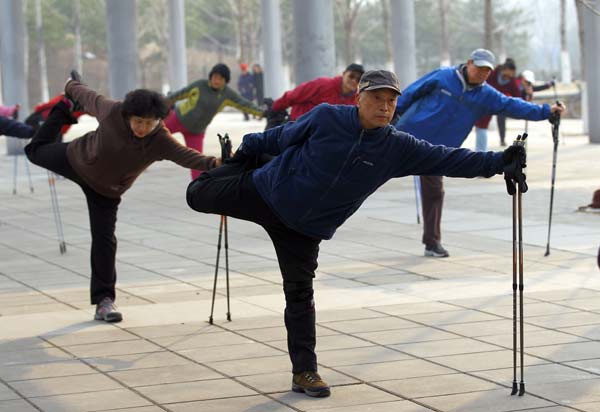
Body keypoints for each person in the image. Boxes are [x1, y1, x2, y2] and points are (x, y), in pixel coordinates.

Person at [186, 70, 528, 398]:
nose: (384, 106)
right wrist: (244, 154)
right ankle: (242, 167)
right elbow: (278, 137)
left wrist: (500, 162)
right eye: (376, 98)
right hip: (267, 192)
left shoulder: (397, 148)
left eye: (391, 101)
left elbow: (448, 159)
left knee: (300, 295)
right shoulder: (326, 118)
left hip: (305, 229)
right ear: (358, 98)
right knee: (196, 195)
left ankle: (304, 372)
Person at [25, 71, 220, 323]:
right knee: (34, 151)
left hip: (107, 191)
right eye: (138, 121)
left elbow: (189, 157)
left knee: (105, 240)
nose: (143, 128)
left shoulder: (160, 140)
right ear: (128, 115)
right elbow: (84, 93)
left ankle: (104, 301)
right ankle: (64, 110)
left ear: (159, 121)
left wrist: (217, 162)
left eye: (150, 123)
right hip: (76, 160)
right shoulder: (111, 110)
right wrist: (71, 87)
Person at [394, 49, 565, 258]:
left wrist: (546, 112)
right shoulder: (443, 76)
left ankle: (432, 242)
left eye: (487, 71)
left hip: (437, 151)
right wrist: (393, 115)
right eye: (480, 68)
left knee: (435, 192)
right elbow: (412, 92)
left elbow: (511, 105)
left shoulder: (486, 95)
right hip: (407, 136)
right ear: (469, 63)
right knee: (369, 173)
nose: (482, 74)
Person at [165, 63, 264, 179]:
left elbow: (244, 104)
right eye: (215, 77)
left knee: (198, 164)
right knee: (154, 136)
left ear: (225, 81)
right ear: (211, 76)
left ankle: (198, 191)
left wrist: (263, 113)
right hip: (178, 119)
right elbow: (180, 94)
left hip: (196, 132)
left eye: (220, 78)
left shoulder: (227, 94)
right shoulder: (200, 85)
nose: (216, 80)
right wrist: (161, 103)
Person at [271, 63, 365, 121]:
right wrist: (274, 108)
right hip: (298, 127)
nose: (354, 81)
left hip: (323, 139)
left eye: (358, 79)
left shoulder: (356, 101)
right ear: (344, 74)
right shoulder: (323, 84)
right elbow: (295, 95)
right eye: (351, 76)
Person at [474, 58, 521, 149]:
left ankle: (484, 150)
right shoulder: (492, 73)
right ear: (506, 69)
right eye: (510, 73)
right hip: (483, 103)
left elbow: (518, 97)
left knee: (490, 125)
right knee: (480, 125)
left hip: (500, 105)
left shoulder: (511, 81)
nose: (511, 75)